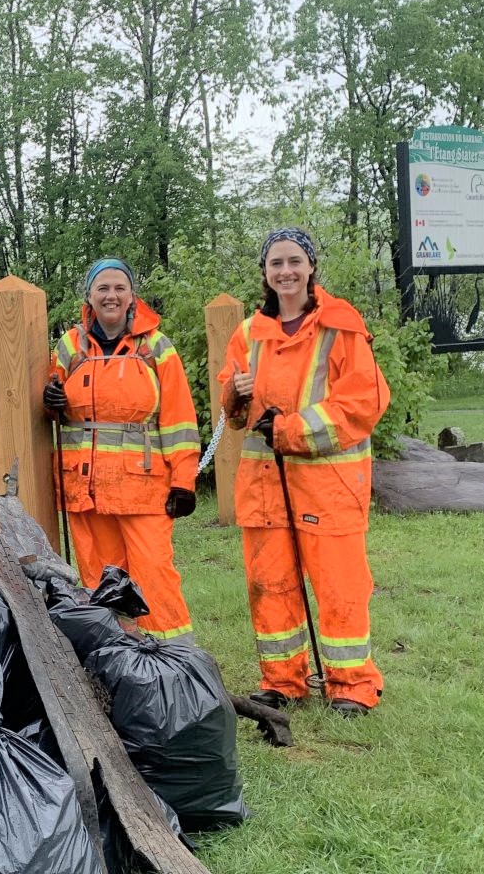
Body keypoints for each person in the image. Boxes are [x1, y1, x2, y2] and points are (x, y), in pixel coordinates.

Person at [216, 228, 389, 717]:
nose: (286, 271)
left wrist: (290, 430)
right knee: (270, 586)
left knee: (340, 588)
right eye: (276, 263)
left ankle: (352, 685)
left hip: (328, 487)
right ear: (265, 273)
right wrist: (236, 396)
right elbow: (232, 406)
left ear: (311, 266)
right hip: (266, 487)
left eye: (294, 261)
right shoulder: (249, 333)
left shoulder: (340, 326)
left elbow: (363, 404)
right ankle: (282, 680)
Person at [45, 259, 201, 639]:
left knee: (154, 578)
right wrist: (48, 400)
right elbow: (51, 406)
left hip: (143, 490)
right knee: (99, 581)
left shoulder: (156, 348)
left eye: (119, 287)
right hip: (86, 490)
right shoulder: (70, 345)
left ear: (132, 296)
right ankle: (117, 660)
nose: (111, 295)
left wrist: (184, 481)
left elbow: (179, 421)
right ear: (89, 296)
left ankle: (176, 662)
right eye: (103, 288)